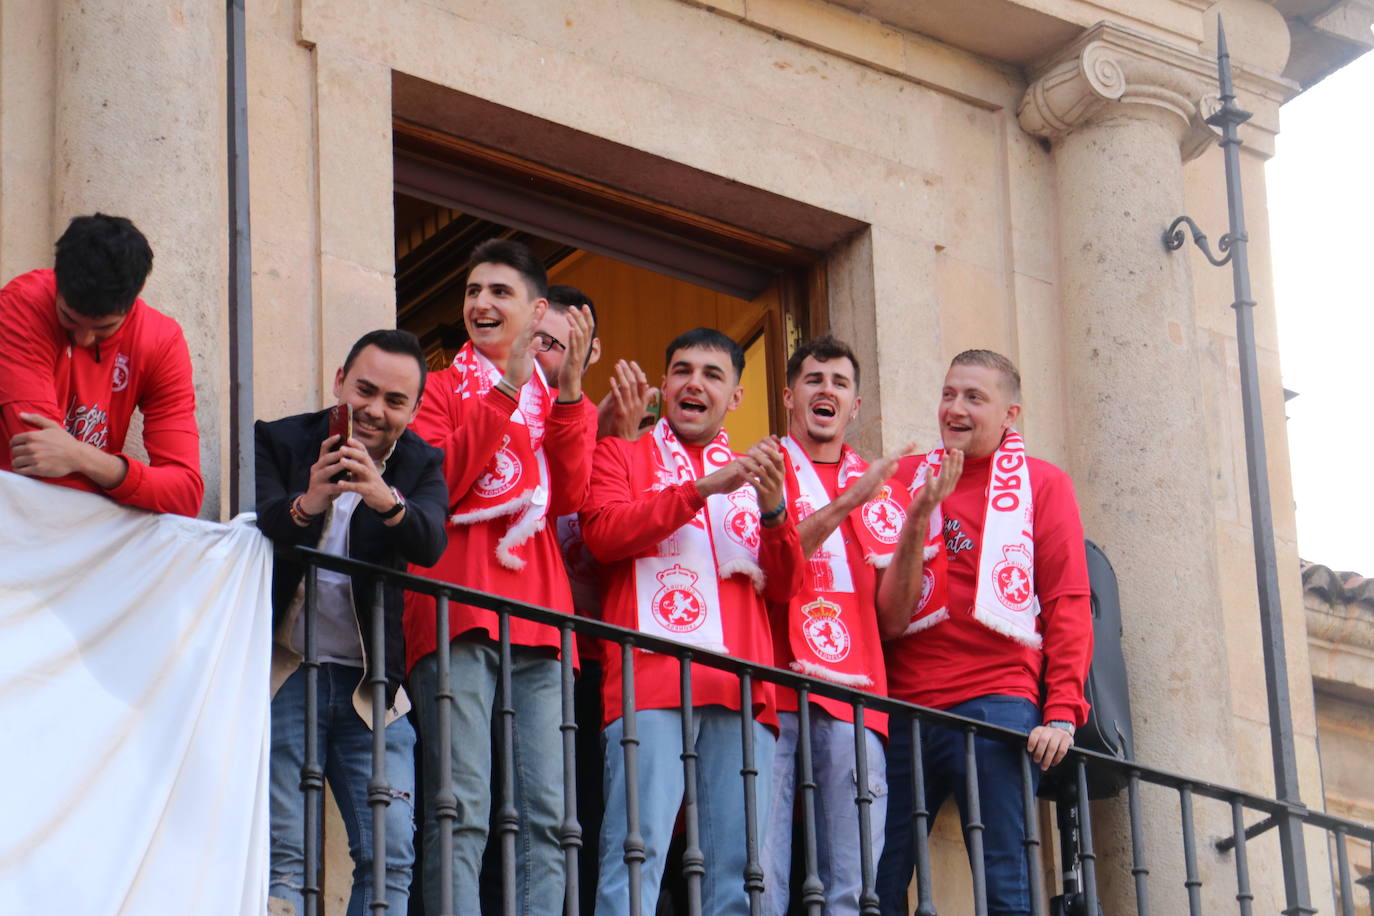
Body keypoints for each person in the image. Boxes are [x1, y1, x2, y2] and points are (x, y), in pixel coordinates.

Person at [580, 327, 803, 916]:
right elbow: (602, 535)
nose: (693, 384)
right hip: (649, 683)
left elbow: (786, 590)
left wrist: (776, 513)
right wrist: (702, 488)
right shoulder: (622, 452)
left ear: (735, 396)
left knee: (739, 875)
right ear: (665, 384)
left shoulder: (761, 474)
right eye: (682, 371)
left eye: (711, 374)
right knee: (637, 854)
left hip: (742, 690)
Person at [404, 239, 596, 915]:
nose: (480, 304)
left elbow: (572, 500)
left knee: (547, 815)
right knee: (464, 806)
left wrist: (567, 391)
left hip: (542, 620)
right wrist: (507, 389)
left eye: (499, 292)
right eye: (472, 292)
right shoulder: (436, 388)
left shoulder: (559, 402)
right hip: (457, 610)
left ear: (538, 311)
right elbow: (441, 485)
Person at [876, 350, 1093, 916]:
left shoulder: (1044, 484)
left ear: (1009, 414)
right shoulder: (902, 479)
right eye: (949, 394)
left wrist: (1063, 710)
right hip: (899, 705)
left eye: (974, 397)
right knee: (875, 880)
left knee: (1005, 881)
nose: (955, 408)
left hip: (997, 702)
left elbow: (1068, 603)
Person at [760, 335, 962, 915]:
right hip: (769, 687)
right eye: (814, 380)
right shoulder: (759, 472)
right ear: (789, 396)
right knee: (761, 874)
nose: (826, 390)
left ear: (856, 406)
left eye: (839, 383)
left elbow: (895, 619)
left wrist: (919, 517)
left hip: (857, 695)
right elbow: (774, 571)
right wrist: (848, 501)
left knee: (854, 882)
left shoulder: (891, 495)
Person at [255, 328, 449, 916]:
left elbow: (432, 539)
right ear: (340, 381)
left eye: (395, 401)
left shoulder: (420, 463)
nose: (374, 410)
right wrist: (308, 503)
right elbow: (262, 521)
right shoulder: (284, 440)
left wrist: (384, 499)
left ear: (413, 410)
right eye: (365, 390)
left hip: (373, 688)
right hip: (286, 671)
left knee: (390, 861)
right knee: (282, 860)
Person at [0, 213, 202, 516]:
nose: (83, 339)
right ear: (57, 281)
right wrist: (132, 485)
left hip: (85, 525)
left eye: (105, 328)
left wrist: (80, 457)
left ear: (134, 300)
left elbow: (184, 494)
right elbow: (38, 459)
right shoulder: (22, 303)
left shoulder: (161, 340)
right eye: (68, 318)